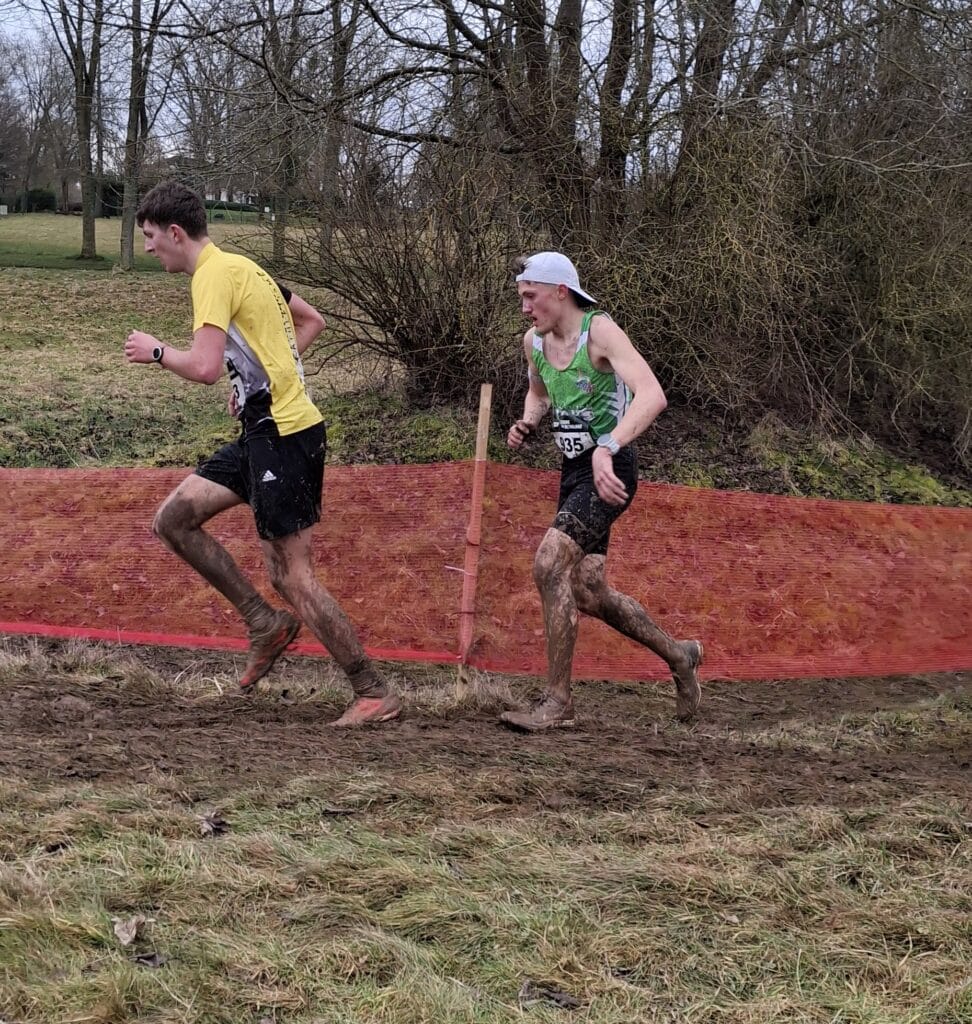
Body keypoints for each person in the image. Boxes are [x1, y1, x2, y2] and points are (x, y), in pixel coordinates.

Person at [123, 180, 401, 728]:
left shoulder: (212, 277)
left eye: (153, 237)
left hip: (286, 436)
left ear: (176, 233)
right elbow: (311, 321)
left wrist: (156, 351)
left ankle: (372, 690)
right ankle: (263, 624)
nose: (150, 247)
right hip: (263, 429)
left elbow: (202, 368)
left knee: (292, 577)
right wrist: (257, 380)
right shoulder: (244, 268)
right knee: (174, 519)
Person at [500, 251, 703, 732]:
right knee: (588, 591)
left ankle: (558, 702)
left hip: (612, 470)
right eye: (522, 299)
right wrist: (529, 421)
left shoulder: (600, 333)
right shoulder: (534, 342)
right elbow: (540, 392)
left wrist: (608, 446)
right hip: (575, 473)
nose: (526, 308)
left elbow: (652, 395)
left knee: (549, 564)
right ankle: (681, 656)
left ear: (560, 292)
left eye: (531, 298)